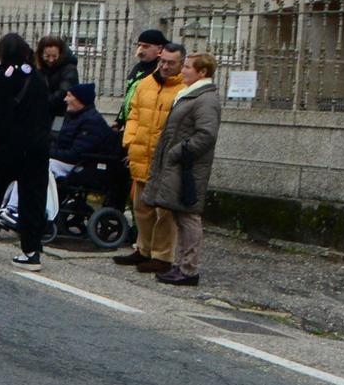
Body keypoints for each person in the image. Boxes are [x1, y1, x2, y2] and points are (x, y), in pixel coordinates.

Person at [0, 33, 58, 269]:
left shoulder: (2, 77)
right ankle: (31, 251)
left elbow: (0, 115)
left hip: (8, 147)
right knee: (32, 199)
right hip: (37, 148)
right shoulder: (38, 77)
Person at [145, 54, 221, 286]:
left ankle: (189, 269)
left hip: (188, 168)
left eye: (187, 67)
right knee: (180, 215)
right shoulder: (190, 94)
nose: (183, 70)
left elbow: (206, 134)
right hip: (179, 167)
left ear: (202, 73)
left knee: (188, 216)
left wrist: (178, 151)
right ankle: (181, 264)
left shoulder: (205, 99)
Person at [116, 42, 185, 275]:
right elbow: (133, 113)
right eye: (162, 61)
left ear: (181, 64)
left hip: (165, 158)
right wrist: (130, 140)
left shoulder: (183, 89)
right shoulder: (145, 83)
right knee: (141, 207)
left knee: (164, 211)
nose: (165, 66)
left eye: (171, 63)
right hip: (141, 152)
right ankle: (143, 249)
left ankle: (162, 256)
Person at [50, 82, 122, 176]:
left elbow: (75, 155)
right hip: (68, 162)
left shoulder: (91, 121)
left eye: (69, 96)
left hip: (81, 167)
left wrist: (46, 151)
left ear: (80, 99)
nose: (65, 99)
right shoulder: (74, 116)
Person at [114, 29, 169, 130]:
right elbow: (129, 95)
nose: (140, 49)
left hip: (146, 126)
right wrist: (119, 121)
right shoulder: (138, 67)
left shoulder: (161, 69)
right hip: (131, 123)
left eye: (146, 46)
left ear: (159, 49)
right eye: (139, 45)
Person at [35, 34, 80, 104]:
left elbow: (64, 92)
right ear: (41, 55)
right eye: (47, 56)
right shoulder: (37, 67)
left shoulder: (69, 68)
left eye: (54, 56)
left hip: (61, 112)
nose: (51, 60)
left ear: (60, 54)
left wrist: (42, 103)